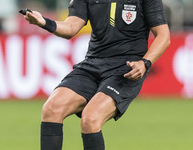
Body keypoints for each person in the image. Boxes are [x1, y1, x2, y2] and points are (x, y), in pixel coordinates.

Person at [22, 0, 170, 149]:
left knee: (90, 119)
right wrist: (44, 22)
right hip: (93, 63)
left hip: (126, 68)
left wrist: (145, 63)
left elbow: (164, 36)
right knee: (51, 108)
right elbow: (71, 27)